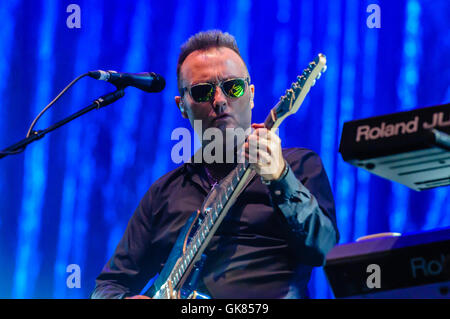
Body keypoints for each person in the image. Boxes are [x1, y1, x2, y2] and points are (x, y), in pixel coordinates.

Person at [90, 30, 339, 299]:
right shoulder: (163, 193)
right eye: (202, 91)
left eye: (233, 87)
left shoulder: (299, 165)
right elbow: (109, 285)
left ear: (251, 94)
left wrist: (280, 177)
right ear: (182, 106)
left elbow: (324, 250)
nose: (220, 100)